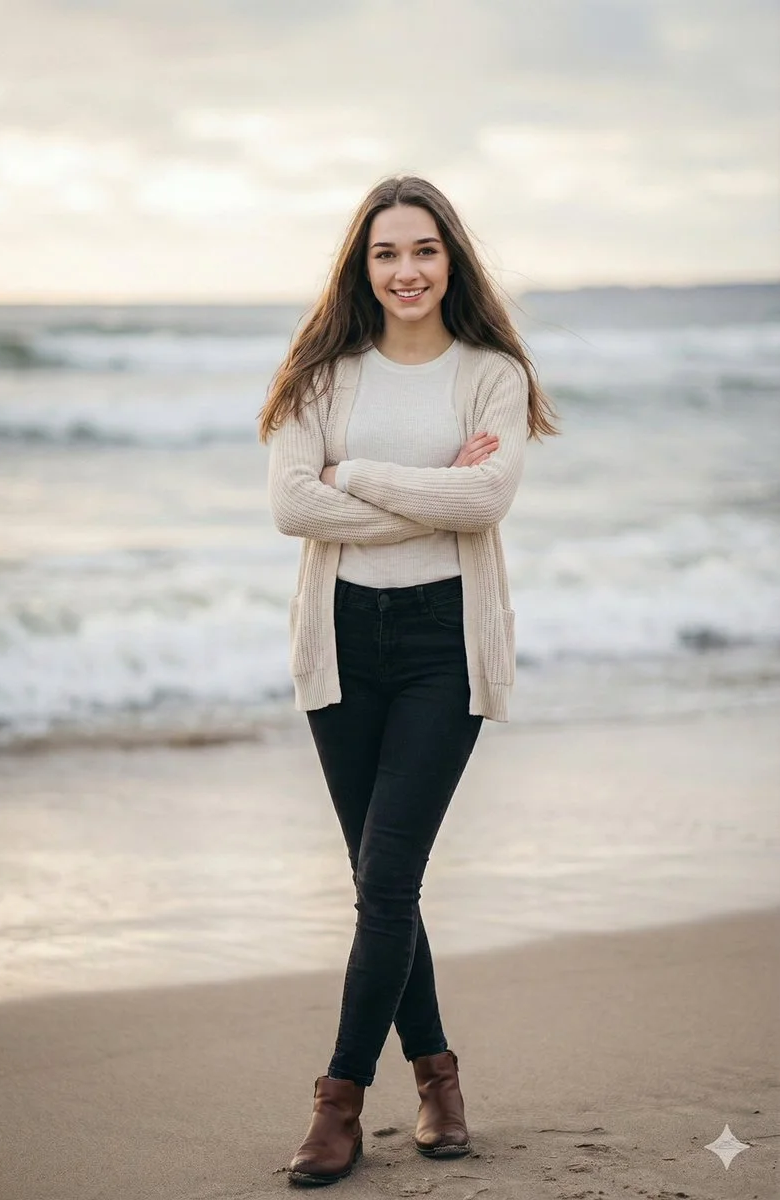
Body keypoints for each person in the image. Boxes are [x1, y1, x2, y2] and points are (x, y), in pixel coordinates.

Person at [259, 174, 557, 1186]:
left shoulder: (491, 376)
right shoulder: (318, 377)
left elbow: (488, 496)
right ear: (363, 265)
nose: (405, 271)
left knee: (386, 881)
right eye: (386, 254)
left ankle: (336, 1105)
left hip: (443, 643)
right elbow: (293, 509)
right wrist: (431, 498)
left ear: (450, 258)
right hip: (340, 640)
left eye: (422, 250)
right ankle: (437, 1079)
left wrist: (353, 477)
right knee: (382, 883)